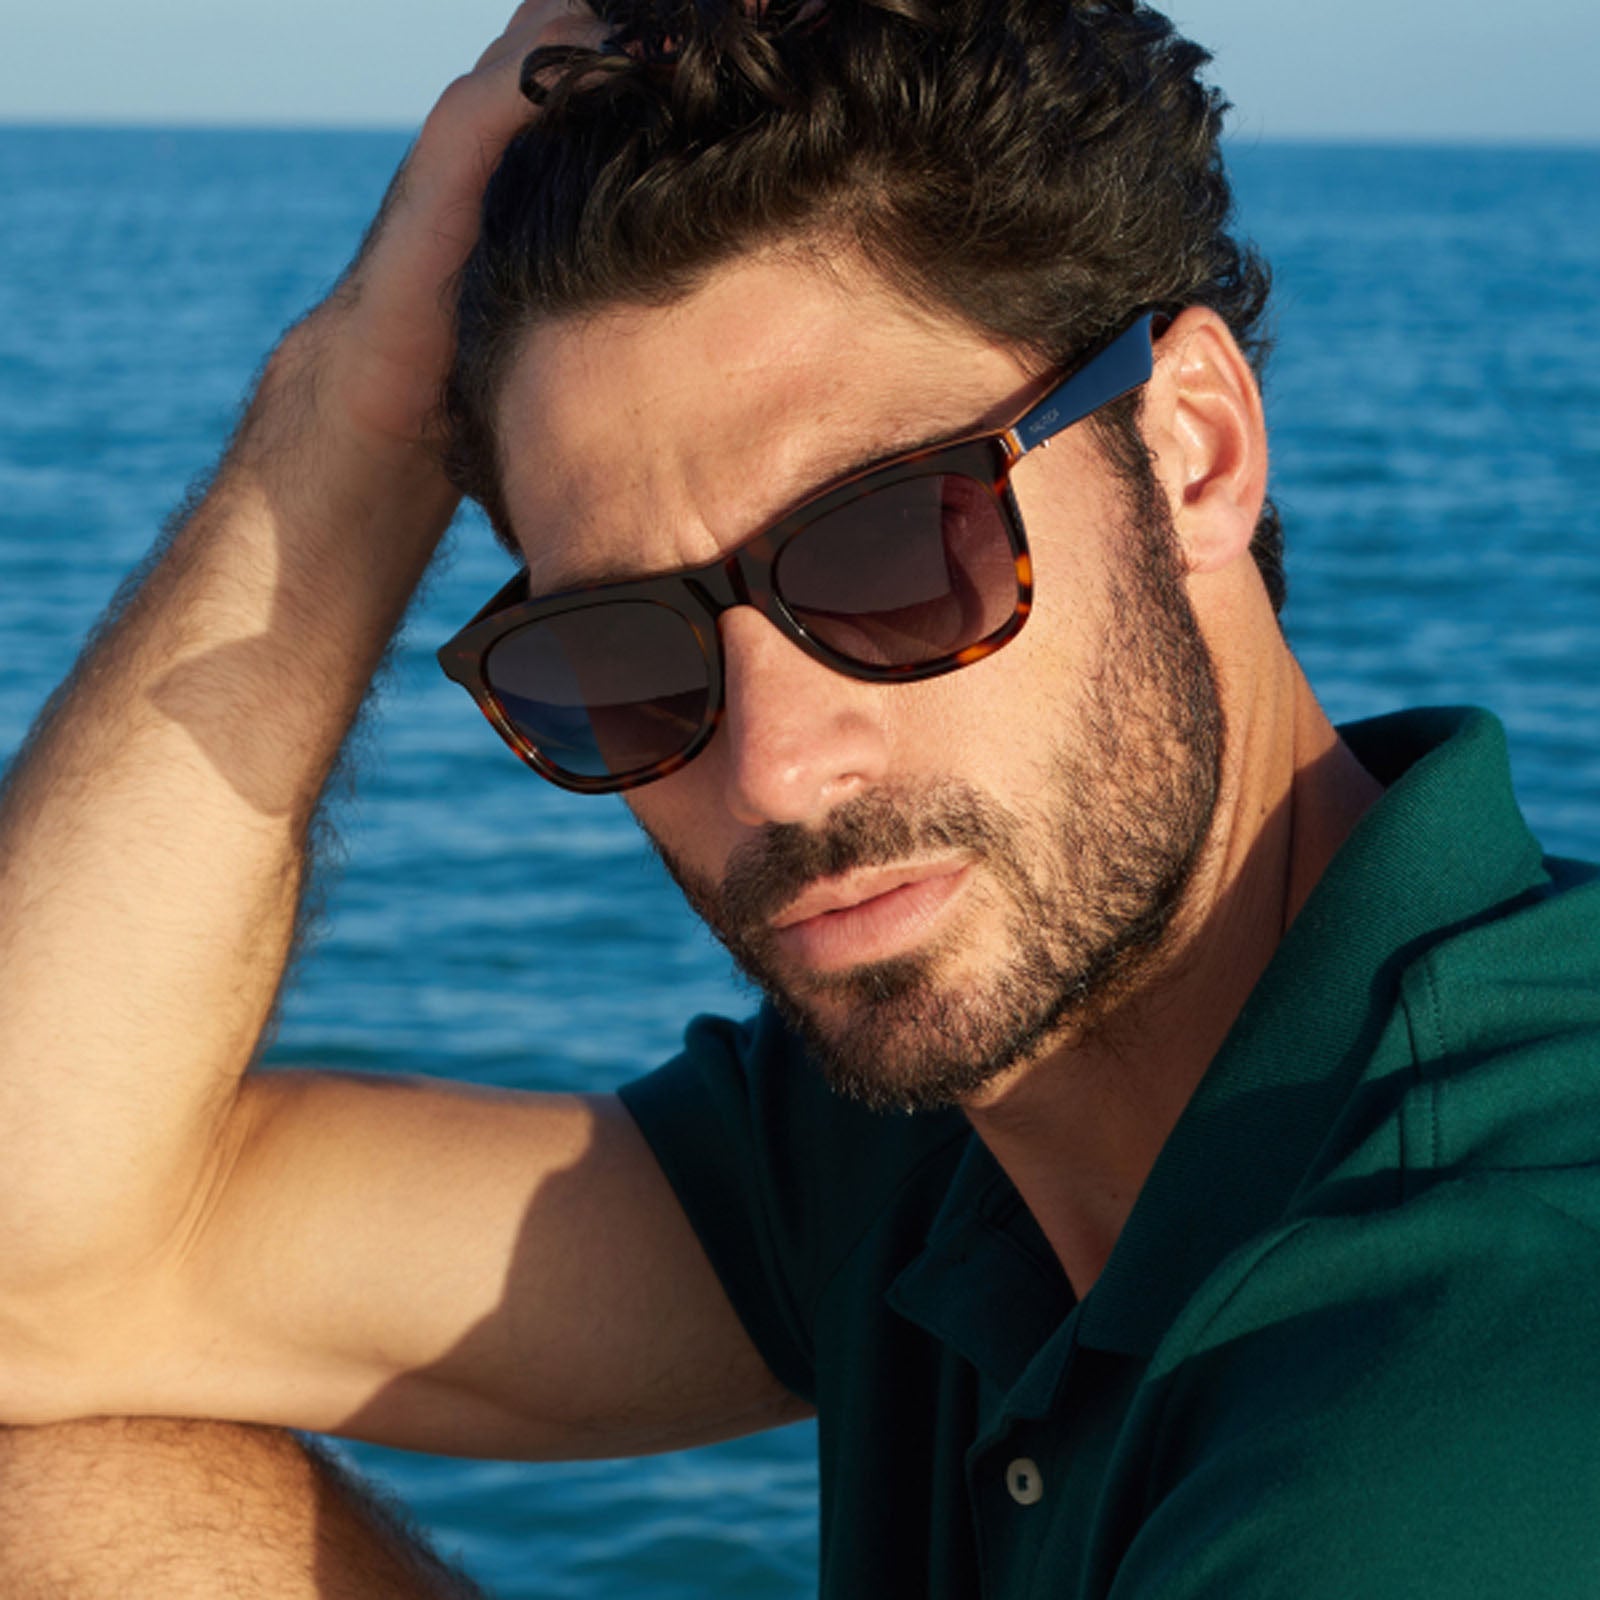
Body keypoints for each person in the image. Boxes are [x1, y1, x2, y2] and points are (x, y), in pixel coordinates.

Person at [1, 0, 1598, 1595]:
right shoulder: (960, 1121)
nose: (773, 768)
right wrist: (352, 399)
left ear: (1190, 451)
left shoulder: (1447, 1404)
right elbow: (35, 1284)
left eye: (894, 551)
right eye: (623, 650)